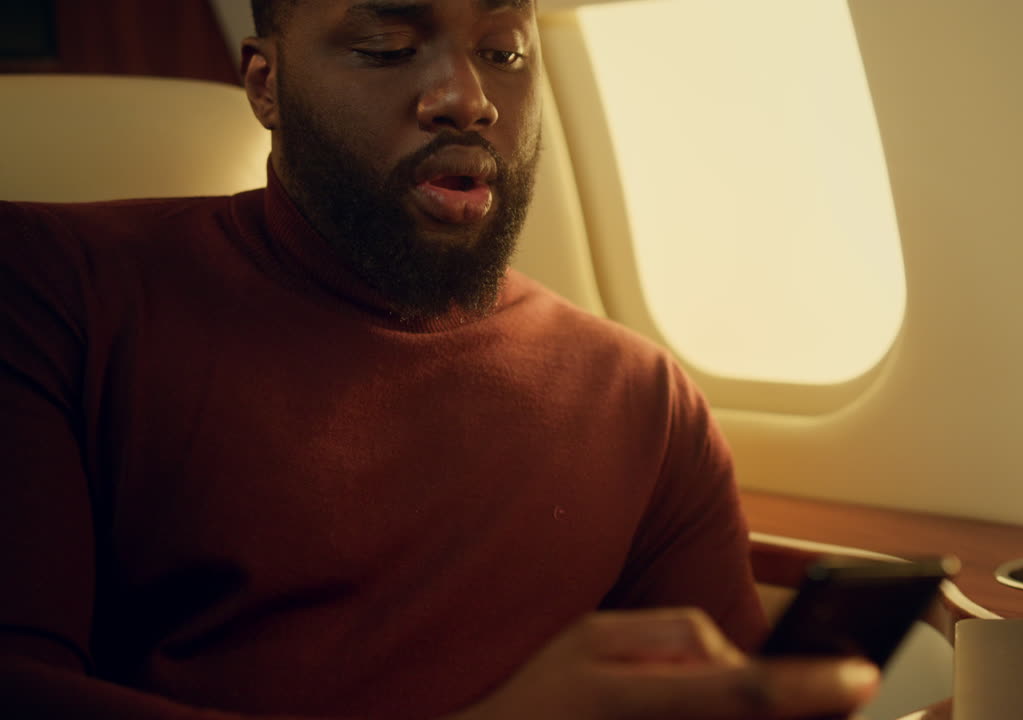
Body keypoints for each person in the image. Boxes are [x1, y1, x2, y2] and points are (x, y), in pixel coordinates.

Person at [0, 0, 880, 717]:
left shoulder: (642, 396)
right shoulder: (52, 286)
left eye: (504, 51)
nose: (468, 98)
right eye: (386, 46)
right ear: (267, 85)